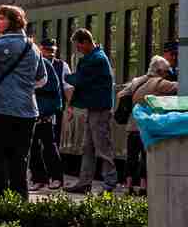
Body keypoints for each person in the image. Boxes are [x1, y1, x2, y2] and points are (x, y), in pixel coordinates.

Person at [0, 5, 44, 200]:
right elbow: (42, 79)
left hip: (2, 108)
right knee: (20, 159)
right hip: (28, 111)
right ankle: (19, 202)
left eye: (1, 18)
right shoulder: (33, 47)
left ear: (12, 22)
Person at [64, 28, 116, 194]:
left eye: (78, 46)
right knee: (88, 147)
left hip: (99, 109)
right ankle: (84, 182)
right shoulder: (95, 57)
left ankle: (109, 183)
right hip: (94, 108)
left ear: (86, 42)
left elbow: (80, 79)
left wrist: (63, 75)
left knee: (102, 147)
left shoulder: (96, 60)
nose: (78, 50)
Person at [124, 56, 177, 196]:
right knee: (146, 157)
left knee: (131, 158)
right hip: (146, 127)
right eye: (166, 72)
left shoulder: (136, 81)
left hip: (132, 126)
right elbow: (179, 87)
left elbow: (121, 94)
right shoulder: (159, 83)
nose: (167, 75)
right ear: (159, 71)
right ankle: (143, 187)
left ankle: (128, 186)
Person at [29, 38, 68, 191]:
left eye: (52, 50)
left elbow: (61, 89)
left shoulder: (57, 66)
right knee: (33, 147)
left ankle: (56, 177)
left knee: (49, 145)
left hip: (46, 113)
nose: (49, 53)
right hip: (33, 111)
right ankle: (39, 178)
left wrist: (66, 107)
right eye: (46, 50)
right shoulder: (34, 63)